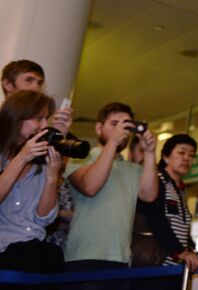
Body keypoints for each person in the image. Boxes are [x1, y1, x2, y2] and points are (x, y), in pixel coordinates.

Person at [63, 102, 158, 290]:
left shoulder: (133, 169)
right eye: (114, 123)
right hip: (85, 256)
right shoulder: (80, 157)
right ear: (99, 128)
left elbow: (149, 195)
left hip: (121, 258)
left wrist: (150, 153)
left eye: (126, 125)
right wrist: (113, 143)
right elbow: (90, 186)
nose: (121, 130)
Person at [0, 90, 64, 278]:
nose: (44, 126)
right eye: (39, 118)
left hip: (34, 255)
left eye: (47, 119)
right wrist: (21, 158)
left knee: (51, 256)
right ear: (17, 118)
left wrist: (52, 177)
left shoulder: (40, 163)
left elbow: (44, 219)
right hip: (5, 255)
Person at [136, 134, 198, 290]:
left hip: (173, 269)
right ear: (165, 156)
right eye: (181, 152)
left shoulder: (179, 189)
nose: (187, 158)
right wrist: (180, 252)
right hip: (155, 267)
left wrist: (190, 250)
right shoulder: (157, 180)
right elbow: (155, 219)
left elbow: (180, 227)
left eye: (191, 155)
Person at [1, 59, 72, 136]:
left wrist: (58, 133)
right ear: (8, 85)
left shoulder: (43, 127)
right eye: (29, 80)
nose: (36, 87)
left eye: (39, 83)